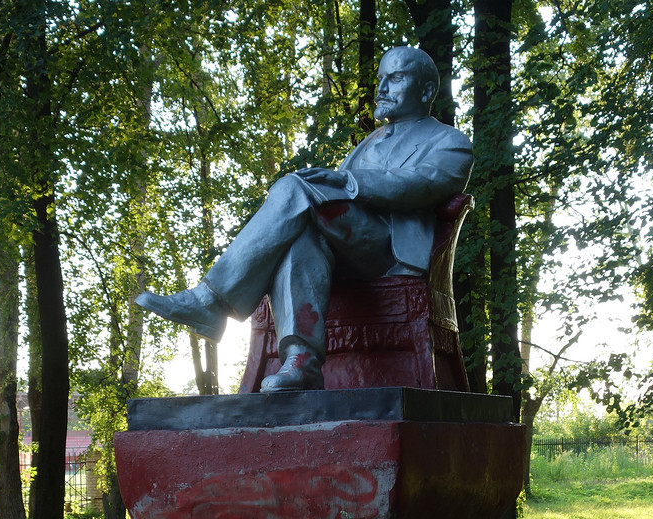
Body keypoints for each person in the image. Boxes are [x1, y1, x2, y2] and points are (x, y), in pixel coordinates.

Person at [136, 46, 474, 391]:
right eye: (381, 79)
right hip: (345, 246)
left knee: (294, 188)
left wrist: (348, 181)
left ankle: (211, 301)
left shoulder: (449, 141)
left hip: (390, 249)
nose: (382, 88)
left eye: (396, 78)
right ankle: (300, 361)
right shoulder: (368, 143)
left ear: (427, 91)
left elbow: (425, 183)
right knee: (302, 238)